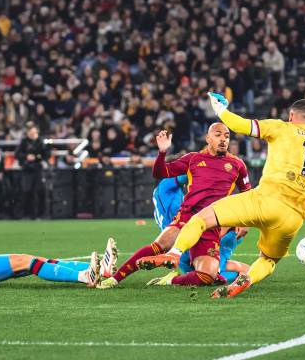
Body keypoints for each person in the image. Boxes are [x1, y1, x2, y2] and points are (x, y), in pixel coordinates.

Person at [138, 94, 305, 298]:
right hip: (293, 218)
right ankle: (246, 281)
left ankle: (172, 254)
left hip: (265, 200)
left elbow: (240, 126)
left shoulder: (282, 128)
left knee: (201, 219)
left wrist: (221, 110)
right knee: (269, 259)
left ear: (292, 117)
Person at [97, 124, 251, 289]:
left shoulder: (237, 165)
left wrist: (244, 221)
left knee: (207, 276)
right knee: (159, 246)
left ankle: (170, 280)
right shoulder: (193, 159)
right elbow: (159, 173)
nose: (223, 139)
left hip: (211, 223)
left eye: (227, 136)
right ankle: (114, 279)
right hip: (187, 216)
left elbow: (247, 195)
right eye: (218, 135)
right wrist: (162, 152)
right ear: (208, 138)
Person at [146, 174, 249, 286]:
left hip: (178, 243)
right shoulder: (168, 184)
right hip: (189, 242)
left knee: (246, 271)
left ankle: (203, 273)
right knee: (243, 274)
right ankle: (173, 280)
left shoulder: (165, 193)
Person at [14, 126, 50, 218]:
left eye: (34, 133)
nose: (32, 135)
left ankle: (39, 214)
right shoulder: (24, 142)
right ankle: (26, 213)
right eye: (30, 133)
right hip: (26, 170)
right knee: (26, 191)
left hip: (37, 169)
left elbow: (46, 154)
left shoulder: (41, 142)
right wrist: (26, 156)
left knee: (39, 191)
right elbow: (17, 154)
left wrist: (36, 157)